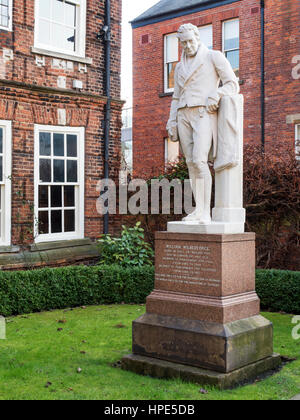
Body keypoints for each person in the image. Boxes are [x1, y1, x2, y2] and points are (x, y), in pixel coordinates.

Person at [167, 23, 239, 223]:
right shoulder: (180, 66)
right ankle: (198, 209)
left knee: (199, 161)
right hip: (183, 114)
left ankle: (205, 212)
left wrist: (217, 93)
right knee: (190, 163)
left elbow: (233, 84)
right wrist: (171, 120)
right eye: (184, 43)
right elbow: (175, 96)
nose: (188, 46)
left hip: (203, 113)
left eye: (190, 41)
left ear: (197, 38)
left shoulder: (213, 56)